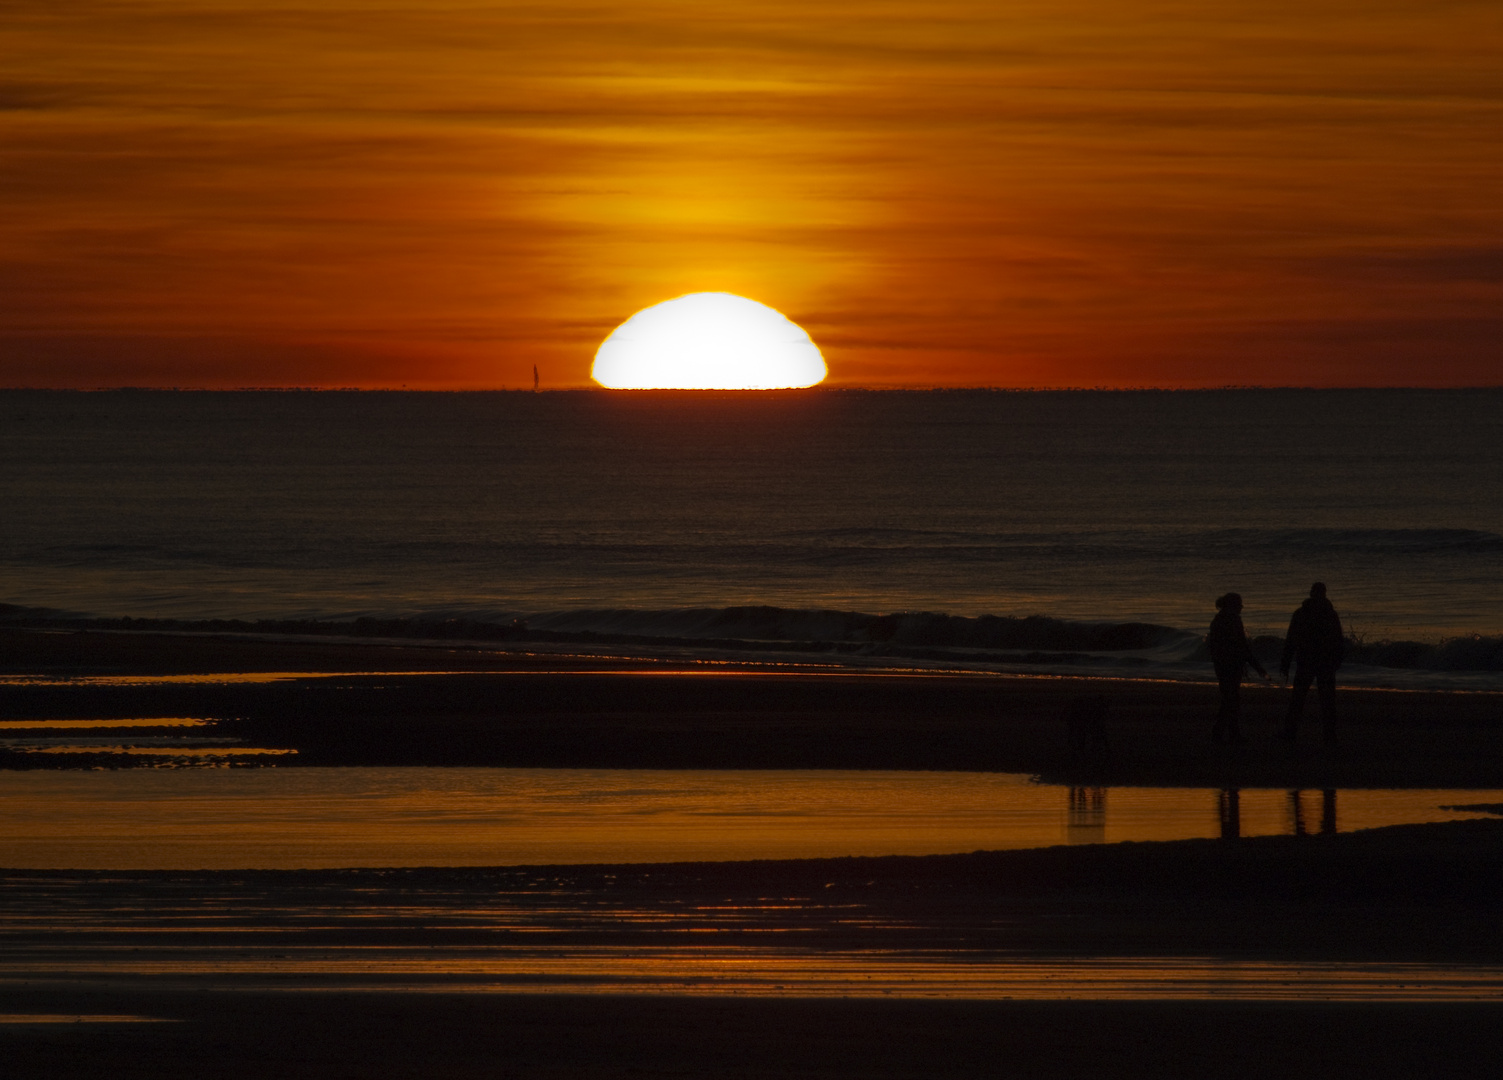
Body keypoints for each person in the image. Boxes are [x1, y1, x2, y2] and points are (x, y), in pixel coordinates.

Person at [1279, 582, 1344, 744]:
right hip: (1322, 662)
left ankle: (1291, 732)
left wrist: (1285, 663)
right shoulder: (1329, 614)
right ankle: (1329, 735)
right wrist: (1337, 660)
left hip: (1309, 661)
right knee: (1326, 700)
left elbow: (1291, 640)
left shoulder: (1302, 613)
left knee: (1300, 699)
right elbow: (1338, 640)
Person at [1206, 592, 1268, 743]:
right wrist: (1257, 667)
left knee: (1230, 698)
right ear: (1233, 605)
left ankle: (1227, 732)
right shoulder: (1232, 620)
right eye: (1239, 604)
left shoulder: (1218, 620)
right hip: (1231, 665)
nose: (1241, 607)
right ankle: (1224, 732)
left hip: (1222, 665)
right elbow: (1241, 646)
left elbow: (1215, 645)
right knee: (1231, 699)